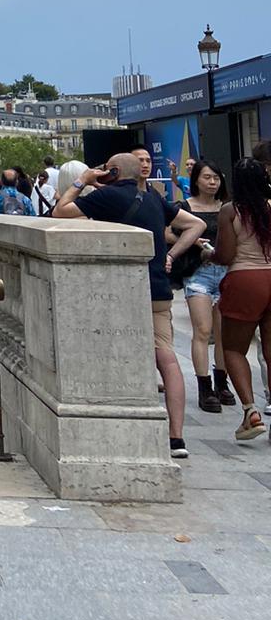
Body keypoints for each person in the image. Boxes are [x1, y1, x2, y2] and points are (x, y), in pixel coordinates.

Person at [55, 152, 204, 458]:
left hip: (120, 290)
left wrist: (83, 180)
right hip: (159, 290)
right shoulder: (151, 199)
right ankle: (176, 437)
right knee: (168, 359)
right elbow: (196, 225)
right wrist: (171, 255)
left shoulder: (107, 197)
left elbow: (61, 211)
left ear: (111, 171)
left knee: (115, 351)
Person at [171, 159, 233, 411]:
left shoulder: (229, 208)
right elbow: (168, 231)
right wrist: (194, 241)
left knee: (223, 334)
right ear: (195, 179)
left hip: (227, 273)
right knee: (202, 329)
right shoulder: (184, 208)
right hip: (198, 273)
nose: (212, 182)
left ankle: (222, 382)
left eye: (216, 178)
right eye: (207, 177)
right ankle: (204, 386)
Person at [215, 159, 271, 441]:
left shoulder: (231, 211)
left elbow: (225, 256)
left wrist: (205, 253)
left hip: (245, 280)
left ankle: (251, 413)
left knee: (234, 349)